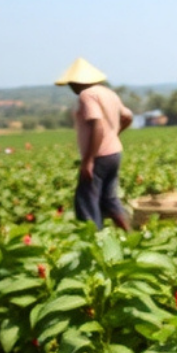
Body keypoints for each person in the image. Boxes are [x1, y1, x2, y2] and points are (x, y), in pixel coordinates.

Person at [55, 57, 134, 231]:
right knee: (109, 198)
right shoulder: (108, 93)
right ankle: (130, 235)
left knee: (86, 201)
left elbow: (96, 124)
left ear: (78, 81)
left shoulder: (87, 95)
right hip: (114, 153)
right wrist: (114, 134)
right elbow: (127, 116)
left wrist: (88, 160)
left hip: (99, 155)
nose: (71, 86)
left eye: (71, 82)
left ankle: (94, 242)